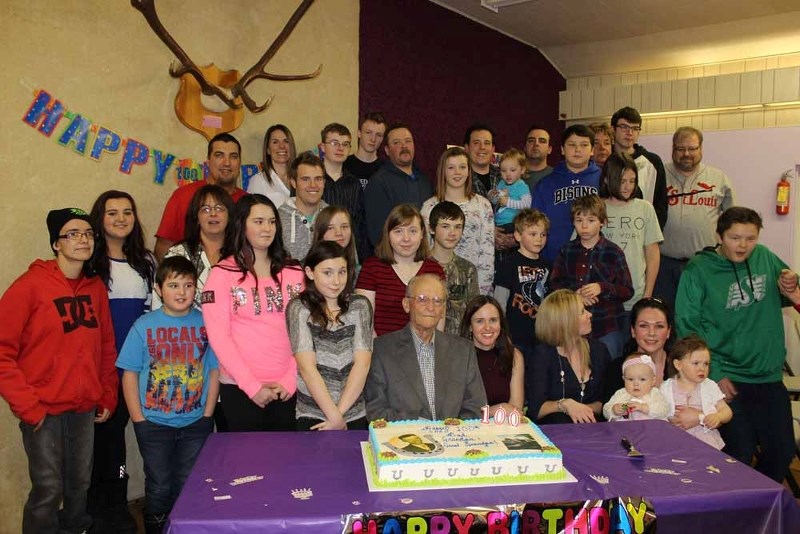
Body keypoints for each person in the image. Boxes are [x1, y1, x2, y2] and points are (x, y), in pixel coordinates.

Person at [0, 208, 117, 534]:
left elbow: (107, 346)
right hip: (43, 411)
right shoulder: (29, 287)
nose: (83, 240)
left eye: (88, 234)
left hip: (84, 409)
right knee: (48, 491)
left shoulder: (95, 289)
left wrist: (107, 392)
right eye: (73, 234)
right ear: (56, 243)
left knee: (79, 486)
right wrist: (28, 407)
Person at [675, 206, 800, 482]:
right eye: (735, 237)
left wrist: (791, 281)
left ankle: (759, 506)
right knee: (738, 453)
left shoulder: (765, 257)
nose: (743, 245)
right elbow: (687, 327)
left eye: (750, 238)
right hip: (727, 379)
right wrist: (715, 374)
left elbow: (790, 290)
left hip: (768, 376)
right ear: (719, 236)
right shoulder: (699, 269)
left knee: (782, 452)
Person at [117, 256, 218, 534]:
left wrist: (207, 415)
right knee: (159, 484)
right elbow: (129, 374)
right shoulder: (143, 326)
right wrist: (138, 419)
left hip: (196, 423)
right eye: (174, 285)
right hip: (153, 423)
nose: (182, 292)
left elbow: (213, 371)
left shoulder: (205, 324)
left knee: (189, 482)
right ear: (159, 289)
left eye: (188, 285)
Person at [202, 194, 304, 432]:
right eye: (258, 221)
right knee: (247, 467)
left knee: (289, 463)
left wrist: (291, 379)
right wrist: (252, 386)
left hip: (289, 387)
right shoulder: (222, 274)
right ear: (241, 225)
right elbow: (219, 338)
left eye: (271, 222)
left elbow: (306, 330)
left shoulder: (294, 270)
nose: (267, 228)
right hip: (240, 389)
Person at [87, 190, 155, 532]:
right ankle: (102, 510)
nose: (120, 219)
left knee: (122, 446)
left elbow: (150, 317)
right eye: (111, 213)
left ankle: (117, 505)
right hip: (101, 370)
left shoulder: (145, 262)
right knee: (105, 445)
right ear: (99, 219)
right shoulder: (90, 264)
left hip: (137, 369)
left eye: (127, 212)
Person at [365, 274, 487, 421]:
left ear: (443, 310)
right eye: (422, 299)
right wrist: (419, 424)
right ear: (406, 304)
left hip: (454, 441)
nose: (430, 307)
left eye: (437, 301)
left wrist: (448, 433)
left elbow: (476, 408)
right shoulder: (382, 349)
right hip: (403, 440)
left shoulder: (463, 351)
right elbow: (375, 411)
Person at [287, 241, 373, 431]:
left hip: (354, 412)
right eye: (327, 273)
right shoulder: (298, 308)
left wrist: (339, 415)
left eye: (342, 272)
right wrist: (333, 416)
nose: (336, 281)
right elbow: (307, 368)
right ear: (310, 273)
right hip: (312, 413)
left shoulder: (360, 305)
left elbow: (363, 363)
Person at [655, 126, 737, 306]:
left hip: (705, 263)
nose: (686, 153)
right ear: (673, 149)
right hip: (664, 266)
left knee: (705, 315)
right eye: (680, 148)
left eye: (692, 148)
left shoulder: (719, 178)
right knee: (664, 317)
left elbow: (733, 223)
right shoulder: (658, 175)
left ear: (701, 149)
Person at [550, 194, 634, 360]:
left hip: (607, 325)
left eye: (591, 220)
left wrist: (602, 288)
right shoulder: (566, 250)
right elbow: (553, 283)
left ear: (602, 222)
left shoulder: (613, 252)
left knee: (608, 371)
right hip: (573, 326)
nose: (584, 226)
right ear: (573, 222)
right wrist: (575, 296)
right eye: (579, 220)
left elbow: (627, 291)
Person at [155, 132, 246, 261]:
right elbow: (163, 247)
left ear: (239, 163)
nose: (227, 163)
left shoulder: (248, 202)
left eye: (233, 156)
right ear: (208, 162)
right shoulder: (183, 196)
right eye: (219, 155)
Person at [356, 204, 445, 336]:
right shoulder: (372, 268)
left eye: (413, 231)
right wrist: (381, 352)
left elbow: (438, 322)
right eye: (398, 231)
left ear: (422, 234)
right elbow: (364, 321)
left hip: (424, 351)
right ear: (388, 234)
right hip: (380, 350)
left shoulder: (434, 270)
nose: (406, 238)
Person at [527, 289, 610, 424]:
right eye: (583, 311)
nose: (589, 315)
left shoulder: (599, 350)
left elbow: (608, 402)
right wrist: (566, 405)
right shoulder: (542, 355)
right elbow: (536, 410)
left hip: (595, 430)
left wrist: (581, 410)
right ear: (566, 320)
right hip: (556, 433)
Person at [599, 153, 663, 326]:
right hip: (604, 300)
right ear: (607, 180)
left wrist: (647, 295)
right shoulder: (596, 208)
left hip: (637, 297)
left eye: (632, 181)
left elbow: (652, 254)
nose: (627, 187)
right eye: (622, 181)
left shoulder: (645, 208)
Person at [421, 146, 494, 295]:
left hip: (472, 284)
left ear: (469, 170)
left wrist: (482, 292)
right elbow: (425, 250)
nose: (457, 172)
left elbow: (487, 252)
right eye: (451, 167)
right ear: (443, 171)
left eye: (462, 167)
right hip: (436, 284)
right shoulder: (429, 207)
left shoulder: (483, 205)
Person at [532, 124, 601, 262]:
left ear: (592, 150)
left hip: (597, 261)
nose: (577, 150)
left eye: (584, 145)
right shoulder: (545, 184)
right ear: (562, 149)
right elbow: (534, 223)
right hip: (554, 260)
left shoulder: (604, 180)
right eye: (571, 145)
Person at [159, 184, 235, 309]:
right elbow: (162, 304)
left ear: (230, 216)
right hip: (187, 327)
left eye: (219, 208)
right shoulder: (178, 253)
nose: (213, 214)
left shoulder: (242, 255)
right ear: (197, 217)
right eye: (205, 209)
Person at [494, 209, 551, 358]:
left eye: (543, 234)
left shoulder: (548, 266)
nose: (539, 239)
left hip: (541, 337)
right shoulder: (508, 264)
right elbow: (500, 301)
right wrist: (502, 332)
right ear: (518, 235)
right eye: (533, 234)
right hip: (515, 336)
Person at [364, 124, 433, 246]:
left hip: (425, 256)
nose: (404, 146)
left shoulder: (425, 181)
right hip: (395, 260)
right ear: (387, 150)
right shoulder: (378, 183)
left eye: (408, 141)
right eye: (396, 143)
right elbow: (378, 234)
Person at [660, 335, 732, 450]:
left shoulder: (709, 386)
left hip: (706, 443)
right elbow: (658, 412)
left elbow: (727, 411)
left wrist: (718, 416)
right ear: (678, 365)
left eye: (706, 364)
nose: (702, 368)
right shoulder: (666, 388)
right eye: (696, 363)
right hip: (675, 443)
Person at [460, 296, 524, 418]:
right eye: (479, 321)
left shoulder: (514, 356)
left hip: (504, 428)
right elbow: (457, 411)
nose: (487, 327)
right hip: (469, 430)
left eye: (493, 320)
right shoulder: (458, 357)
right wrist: (493, 411)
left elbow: (515, 409)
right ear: (469, 326)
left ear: (501, 324)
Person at [603, 297, 674, 401]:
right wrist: (628, 408)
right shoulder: (617, 369)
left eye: (659, 326)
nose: (651, 333)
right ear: (633, 331)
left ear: (668, 331)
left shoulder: (682, 366)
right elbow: (609, 409)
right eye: (643, 326)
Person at [319, 122, 370, 261]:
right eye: (334, 143)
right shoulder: (312, 181)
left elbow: (360, 226)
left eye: (345, 144)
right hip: (319, 253)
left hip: (348, 255)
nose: (340, 148)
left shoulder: (354, 184)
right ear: (322, 147)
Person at [610, 106, 667, 229]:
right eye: (624, 127)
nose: (629, 133)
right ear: (613, 129)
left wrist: (653, 236)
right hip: (610, 234)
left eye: (635, 128)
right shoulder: (605, 161)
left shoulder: (653, 161)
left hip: (643, 233)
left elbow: (661, 204)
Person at [427, 202, 479, 335]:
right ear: (432, 229)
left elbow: (474, 312)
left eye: (458, 227)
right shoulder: (420, 266)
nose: (452, 233)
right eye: (445, 226)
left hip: (459, 345)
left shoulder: (467, 269)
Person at [278, 152, 328, 262]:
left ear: (324, 182)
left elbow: (350, 260)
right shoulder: (277, 219)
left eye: (318, 179)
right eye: (305, 179)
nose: (313, 185)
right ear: (293, 183)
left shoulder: (333, 217)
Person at [603, 354, 669, 421]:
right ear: (624, 379)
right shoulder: (621, 394)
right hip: (625, 429)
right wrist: (614, 410)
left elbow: (664, 410)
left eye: (642, 379)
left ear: (653, 380)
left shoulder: (654, 393)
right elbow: (605, 411)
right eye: (630, 379)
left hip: (651, 429)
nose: (636, 384)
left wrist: (644, 408)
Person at [246, 124, 296, 208]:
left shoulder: (302, 178)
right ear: (268, 150)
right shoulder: (258, 181)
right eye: (275, 142)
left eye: (286, 141)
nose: (282, 146)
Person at [312, 205, 359, 282]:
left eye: (344, 227)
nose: (339, 233)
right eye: (330, 228)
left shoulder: (357, 271)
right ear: (320, 233)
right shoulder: (308, 269)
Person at [490, 148, 532, 234]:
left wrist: (508, 202)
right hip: (498, 223)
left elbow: (527, 204)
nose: (508, 174)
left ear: (522, 170)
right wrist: (493, 196)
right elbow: (497, 202)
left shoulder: (522, 186)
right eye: (503, 170)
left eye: (512, 170)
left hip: (514, 224)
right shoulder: (501, 183)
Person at [344, 111, 387, 189]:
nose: (373, 139)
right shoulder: (344, 165)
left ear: (383, 139)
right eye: (368, 133)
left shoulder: (387, 169)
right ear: (359, 133)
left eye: (379, 135)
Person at [463, 123, 501, 197]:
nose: (482, 147)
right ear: (466, 148)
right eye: (476, 143)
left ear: (493, 149)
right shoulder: (459, 178)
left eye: (487, 143)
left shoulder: (503, 176)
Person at [523, 124, 553, 190]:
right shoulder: (511, 174)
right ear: (525, 148)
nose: (536, 144)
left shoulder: (557, 177)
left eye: (542, 141)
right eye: (531, 140)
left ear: (549, 149)